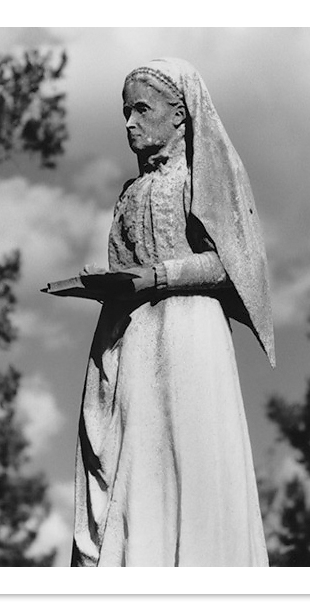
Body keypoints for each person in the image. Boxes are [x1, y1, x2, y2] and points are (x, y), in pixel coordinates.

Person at [71, 58, 275, 567]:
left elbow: (234, 263)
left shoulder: (200, 179)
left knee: (189, 455)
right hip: (133, 336)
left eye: (142, 109)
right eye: (125, 111)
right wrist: (107, 281)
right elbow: (126, 261)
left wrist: (158, 276)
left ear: (180, 115)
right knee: (133, 459)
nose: (129, 123)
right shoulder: (130, 191)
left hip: (188, 332)